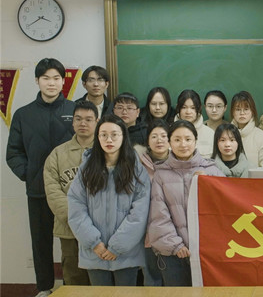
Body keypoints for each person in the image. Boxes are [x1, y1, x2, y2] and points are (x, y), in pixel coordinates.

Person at [6, 58, 75, 297]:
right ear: (37, 81)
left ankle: (74, 289)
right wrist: (29, 174)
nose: (51, 83)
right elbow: (13, 153)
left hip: (72, 193)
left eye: (56, 78)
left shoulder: (75, 110)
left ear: (63, 81)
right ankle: (44, 289)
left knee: (74, 242)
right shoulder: (23, 114)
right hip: (38, 191)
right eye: (46, 78)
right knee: (41, 242)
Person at [67, 115, 151, 286]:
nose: (109, 140)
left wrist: (117, 246)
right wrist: (94, 243)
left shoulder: (136, 169)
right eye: (103, 135)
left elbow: (140, 212)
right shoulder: (86, 168)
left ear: (123, 137)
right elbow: (76, 208)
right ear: (97, 137)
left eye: (114, 134)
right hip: (94, 252)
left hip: (126, 252)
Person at [148, 120, 224, 286]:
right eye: (177, 140)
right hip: (173, 254)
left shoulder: (212, 170)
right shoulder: (160, 174)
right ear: (169, 142)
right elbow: (158, 215)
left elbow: (223, 210)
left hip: (207, 251)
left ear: (195, 141)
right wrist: (176, 245)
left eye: (188, 139)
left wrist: (208, 184)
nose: (183, 144)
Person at [44, 101, 99, 288]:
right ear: (73, 122)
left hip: (100, 228)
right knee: (74, 277)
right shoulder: (57, 154)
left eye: (88, 119)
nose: (83, 123)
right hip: (68, 228)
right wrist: (75, 218)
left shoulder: (106, 151)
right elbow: (53, 191)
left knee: (100, 278)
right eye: (78, 119)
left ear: (97, 122)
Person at [138, 119, 170, 286]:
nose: (159, 140)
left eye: (163, 136)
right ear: (148, 141)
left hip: (173, 231)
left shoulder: (179, 163)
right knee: (151, 278)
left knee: (174, 279)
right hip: (146, 231)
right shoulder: (137, 165)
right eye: (154, 136)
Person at [229, 91, 263, 168]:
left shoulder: (261, 137)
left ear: (252, 111)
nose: (242, 113)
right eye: (238, 109)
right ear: (232, 112)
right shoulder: (225, 135)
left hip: (255, 176)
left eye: (246, 109)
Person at [174, 89, 214, 158]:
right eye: (184, 107)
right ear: (178, 108)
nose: (188, 112)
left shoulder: (210, 134)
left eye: (193, 108)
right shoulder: (168, 132)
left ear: (199, 108)